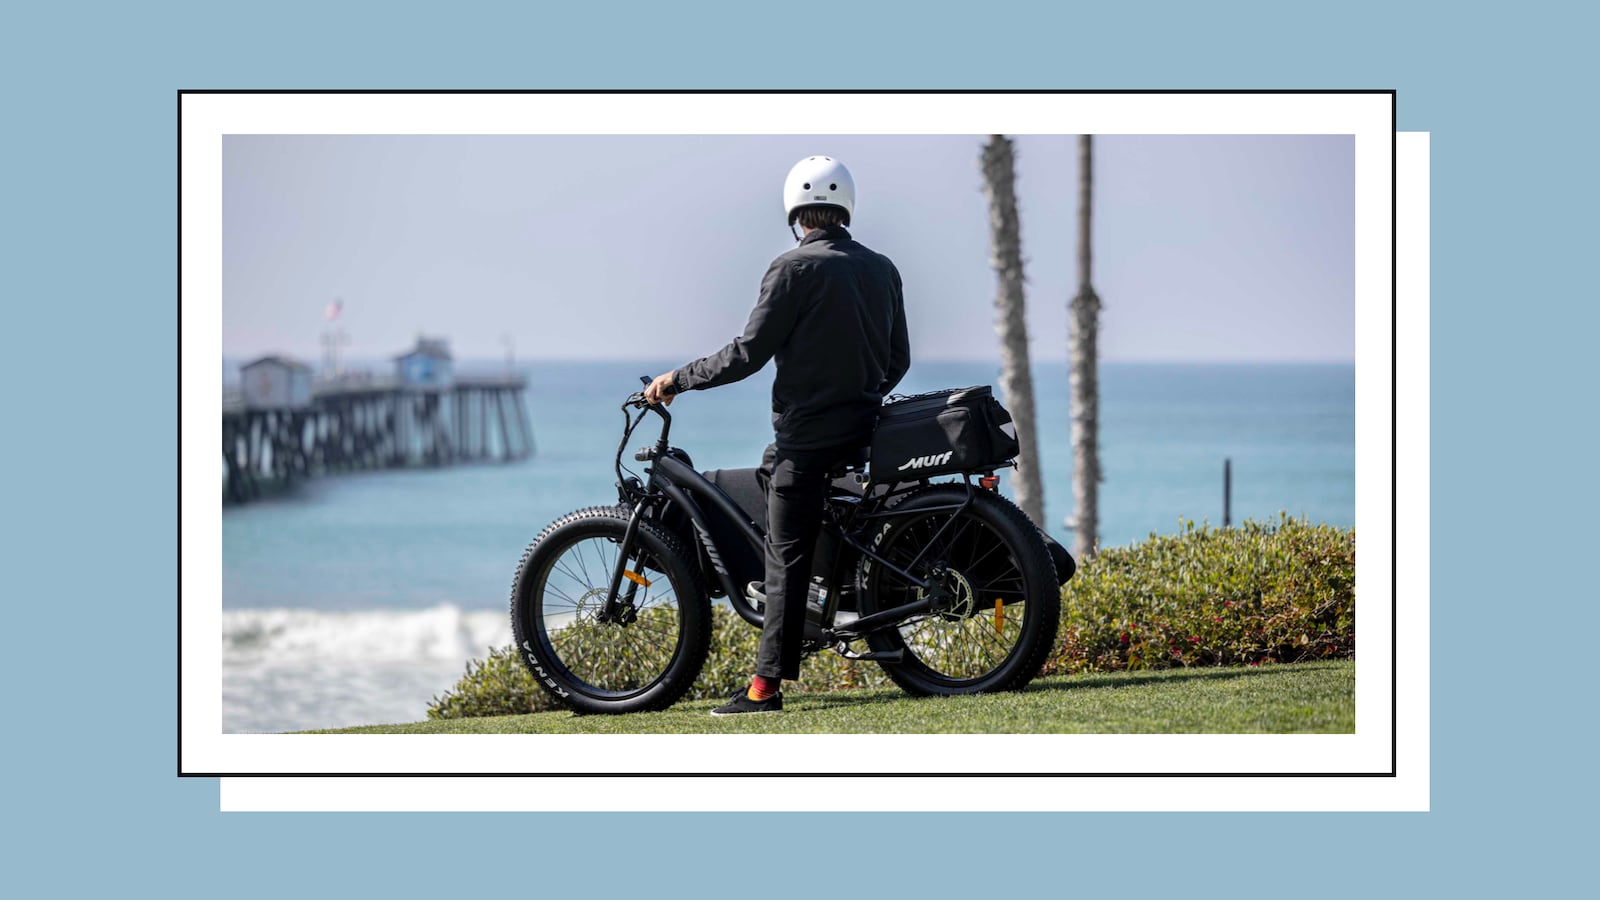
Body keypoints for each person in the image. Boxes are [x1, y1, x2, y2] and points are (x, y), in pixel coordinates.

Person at [643, 156, 910, 715]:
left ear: (796, 212)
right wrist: (858, 395)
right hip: (864, 425)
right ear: (846, 208)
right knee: (773, 473)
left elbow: (746, 355)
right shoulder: (883, 269)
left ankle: (765, 687)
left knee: (784, 551)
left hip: (809, 438)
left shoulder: (792, 268)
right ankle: (822, 595)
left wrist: (677, 380)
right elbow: (898, 360)